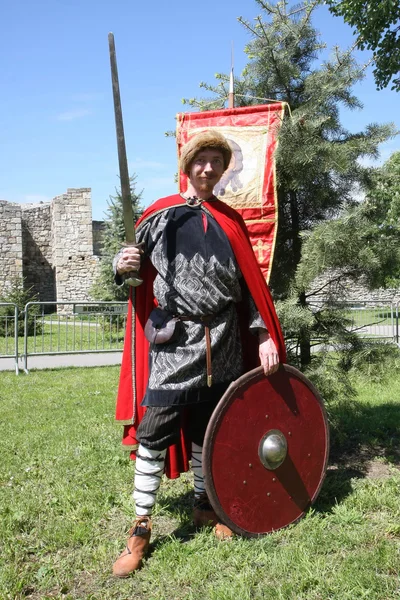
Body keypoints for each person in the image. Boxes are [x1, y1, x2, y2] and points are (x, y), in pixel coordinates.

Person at [112, 130, 286, 577]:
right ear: (188, 165)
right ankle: (141, 527)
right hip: (177, 342)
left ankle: (205, 506)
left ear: (222, 168)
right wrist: (122, 265)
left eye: (216, 161)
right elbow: (131, 268)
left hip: (226, 341)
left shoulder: (231, 220)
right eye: (201, 160)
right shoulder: (161, 213)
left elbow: (250, 288)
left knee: (212, 431)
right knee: (155, 430)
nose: (208, 168)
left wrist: (263, 333)